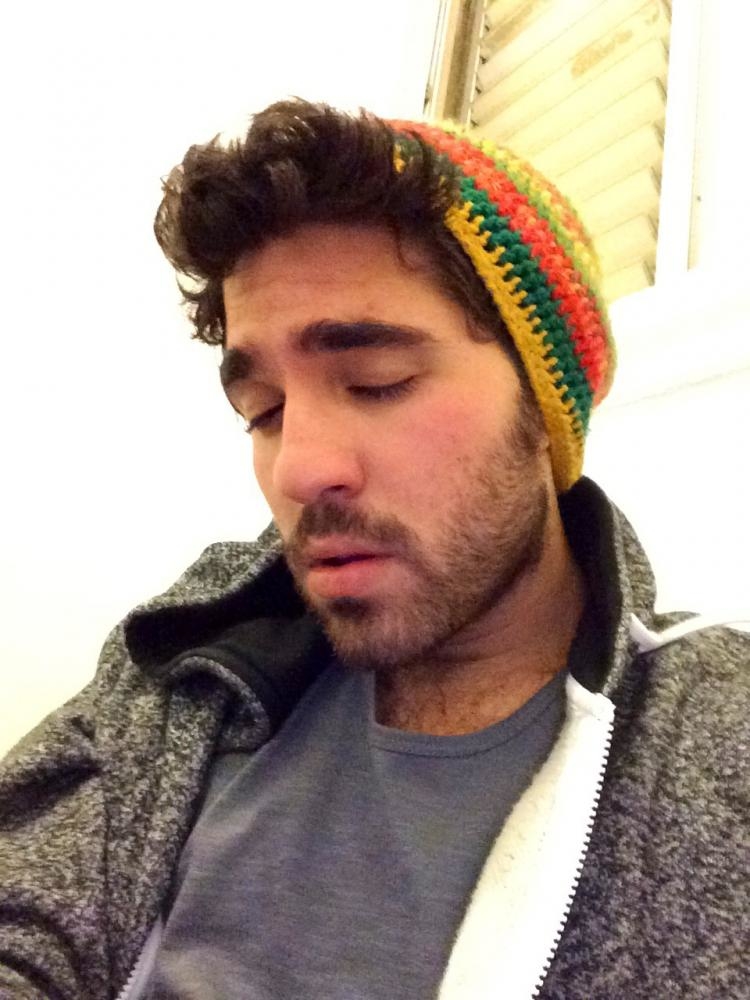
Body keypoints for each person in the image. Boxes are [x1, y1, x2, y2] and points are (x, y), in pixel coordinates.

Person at [0, 100, 747, 1000]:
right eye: (263, 411)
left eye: (376, 382)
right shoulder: (190, 649)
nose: (299, 468)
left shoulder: (718, 736)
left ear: (545, 412)